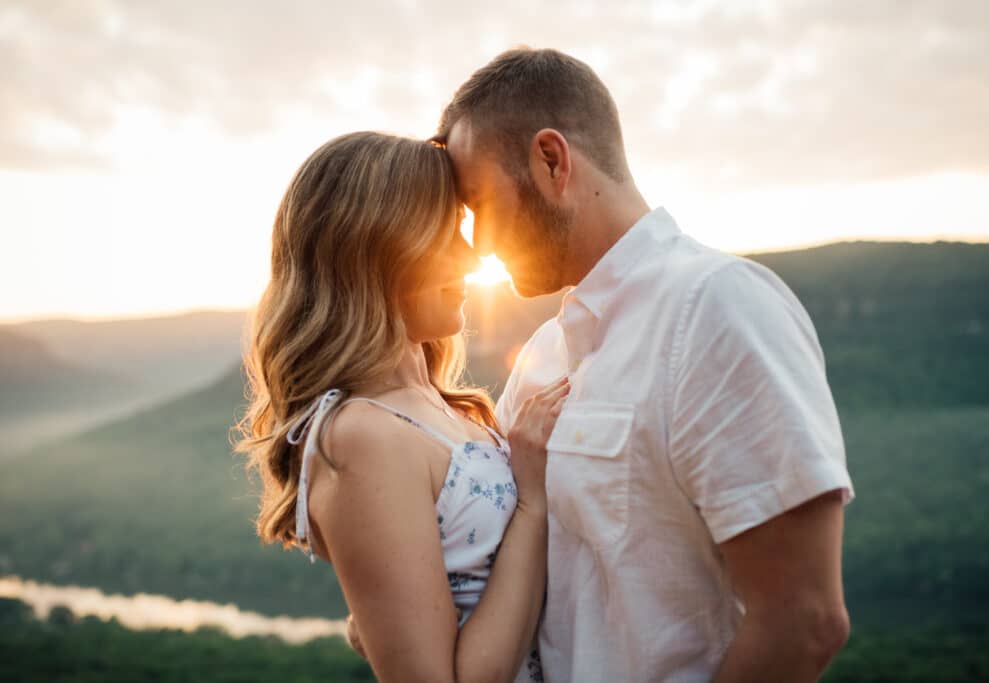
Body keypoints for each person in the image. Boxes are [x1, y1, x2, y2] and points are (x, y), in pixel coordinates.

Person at [430, 48, 856, 682]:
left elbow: (803, 618)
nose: (477, 246)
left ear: (552, 161)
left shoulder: (717, 309)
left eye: (479, 207)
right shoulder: (544, 356)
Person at [236, 131, 565, 682]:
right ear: (372, 248)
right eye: (443, 236)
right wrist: (532, 503)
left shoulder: (438, 405)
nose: (470, 255)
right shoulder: (363, 435)